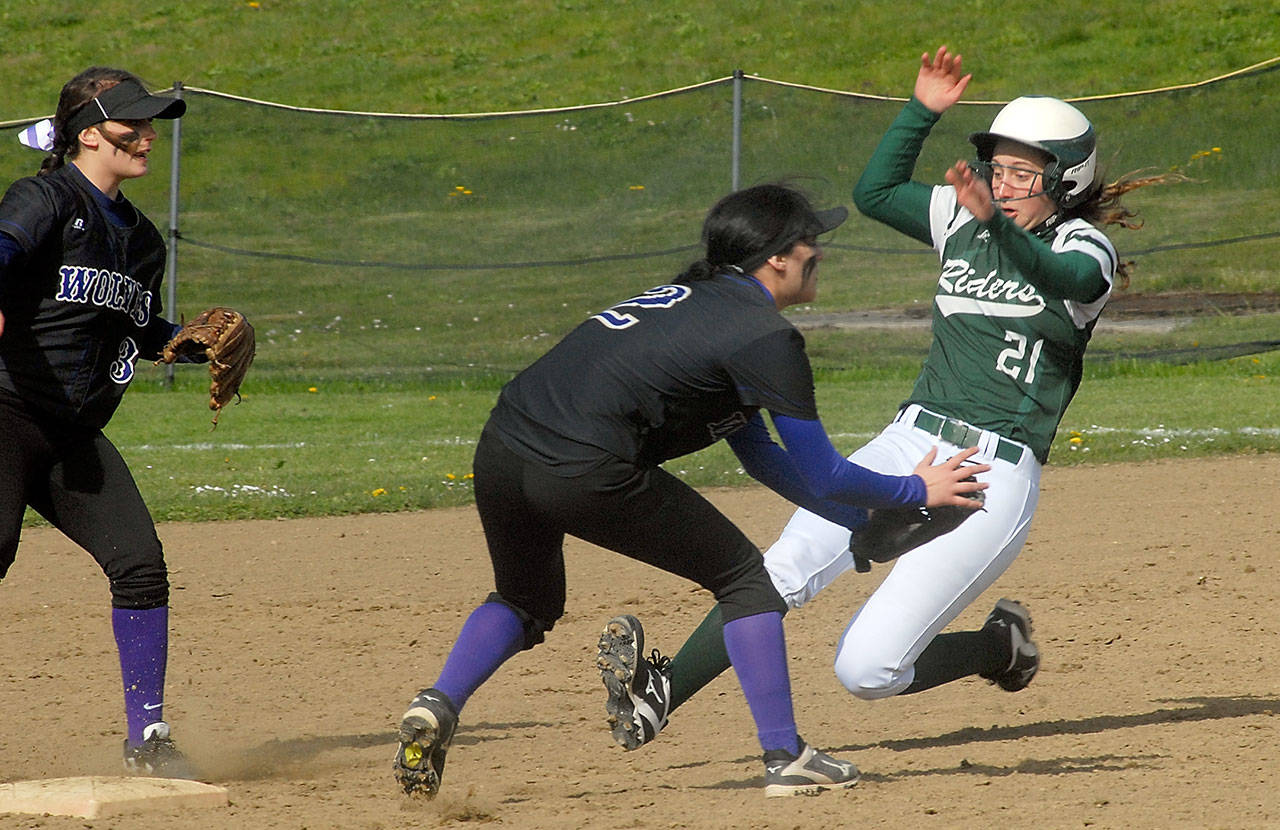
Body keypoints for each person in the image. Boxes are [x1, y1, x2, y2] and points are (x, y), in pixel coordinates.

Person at [599, 46, 1182, 755]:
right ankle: (662, 692)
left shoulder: (1084, 246)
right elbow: (874, 192)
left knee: (867, 669)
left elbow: (1061, 274)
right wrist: (920, 112)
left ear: (1065, 182)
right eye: (997, 168)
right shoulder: (968, 219)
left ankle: (997, 648)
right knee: (784, 566)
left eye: (1023, 173)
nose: (1002, 185)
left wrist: (993, 224)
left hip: (993, 474)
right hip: (914, 439)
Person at [392, 182, 989, 799]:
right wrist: (913, 487)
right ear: (777, 257)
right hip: (584, 463)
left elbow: (761, 457)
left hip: (503, 449)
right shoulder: (764, 337)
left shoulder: (700, 303)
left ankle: (437, 704)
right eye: (809, 239)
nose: (819, 251)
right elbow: (823, 470)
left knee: (524, 599)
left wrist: (857, 525)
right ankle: (786, 757)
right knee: (746, 583)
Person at [0, 67, 198, 777]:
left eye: (151, 123)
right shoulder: (45, 195)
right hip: (5, 410)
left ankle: (148, 739)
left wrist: (186, 342)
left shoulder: (142, 241)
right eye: (131, 123)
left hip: (72, 434)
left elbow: (137, 329)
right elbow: (4, 246)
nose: (147, 134)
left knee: (140, 565)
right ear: (88, 134)